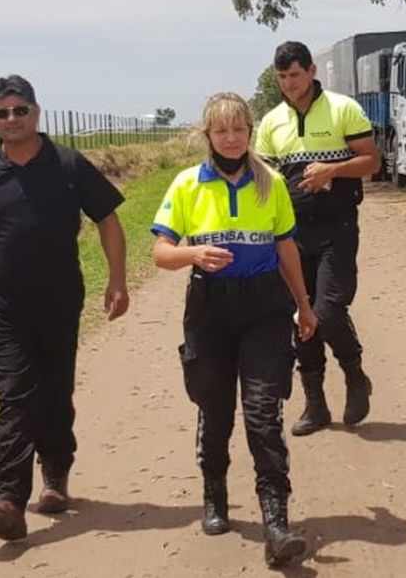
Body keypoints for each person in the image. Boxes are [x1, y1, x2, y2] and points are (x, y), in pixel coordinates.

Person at [0, 75, 130, 542]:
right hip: (2, 308)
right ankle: (7, 498)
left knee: (53, 395)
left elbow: (107, 219)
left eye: (19, 110)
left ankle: (56, 474)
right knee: (16, 396)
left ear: (36, 112)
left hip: (59, 302)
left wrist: (118, 280)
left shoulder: (67, 164)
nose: (11, 119)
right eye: (2, 113)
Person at [152, 92, 320, 567]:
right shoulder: (187, 185)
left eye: (238, 129)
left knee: (264, 412)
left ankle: (276, 520)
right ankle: (215, 495)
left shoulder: (272, 184)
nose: (230, 138)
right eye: (221, 130)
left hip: (265, 306)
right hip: (209, 309)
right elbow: (161, 253)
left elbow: (287, 249)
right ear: (207, 136)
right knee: (216, 407)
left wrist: (304, 307)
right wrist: (192, 254)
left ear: (250, 132)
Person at [254, 42, 381, 436]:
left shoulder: (344, 109)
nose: (289, 84)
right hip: (291, 236)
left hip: (337, 228)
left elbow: (373, 162)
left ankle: (354, 373)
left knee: (327, 309)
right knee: (301, 316)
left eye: (294, 75)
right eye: (282, 78)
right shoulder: (272, 122)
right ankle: (316, 404)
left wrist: (332, 171)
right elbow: (263, 178)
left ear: (310, 71)